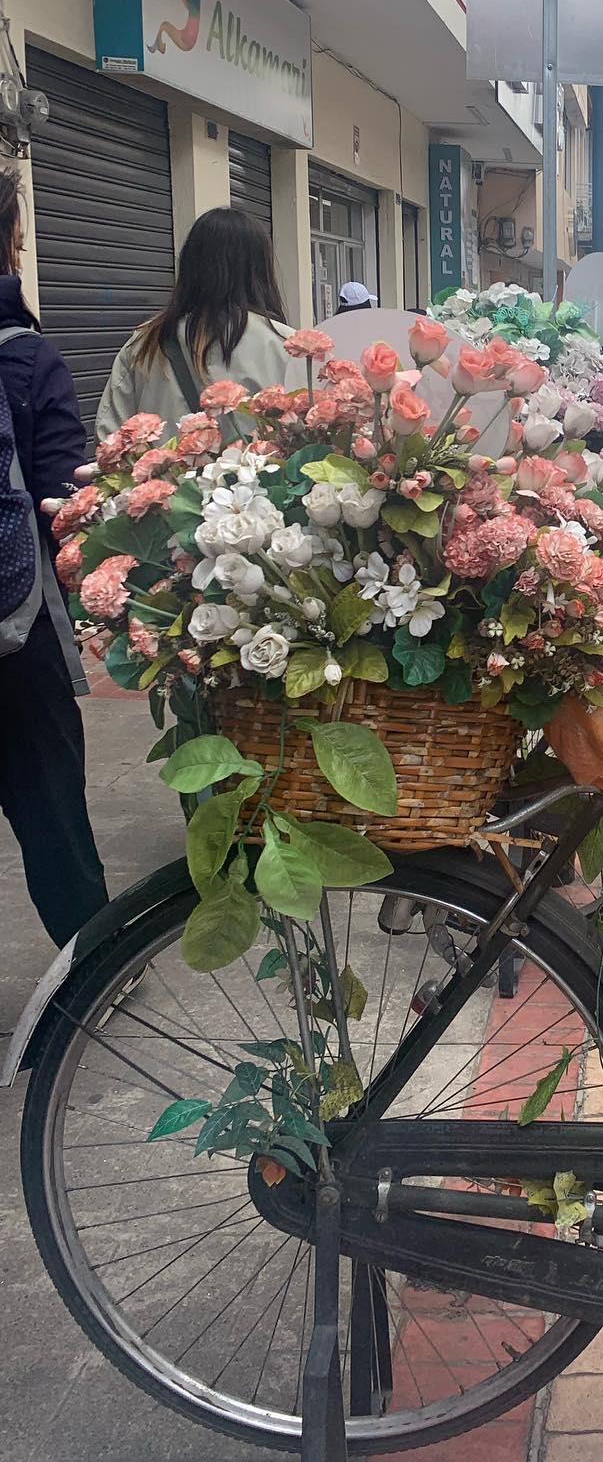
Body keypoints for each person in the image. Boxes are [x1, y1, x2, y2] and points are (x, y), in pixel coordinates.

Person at [0, 166, 108, 945]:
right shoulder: (28, 360)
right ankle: (95, 963)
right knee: (49, 807)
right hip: (15, 638)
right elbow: (63, 499)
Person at [96, 207, 291, 436]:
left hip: (164, 472)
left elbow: (111, 437)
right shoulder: (285, 346)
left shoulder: (145, 344)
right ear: (260, 269)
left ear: (189, 264)